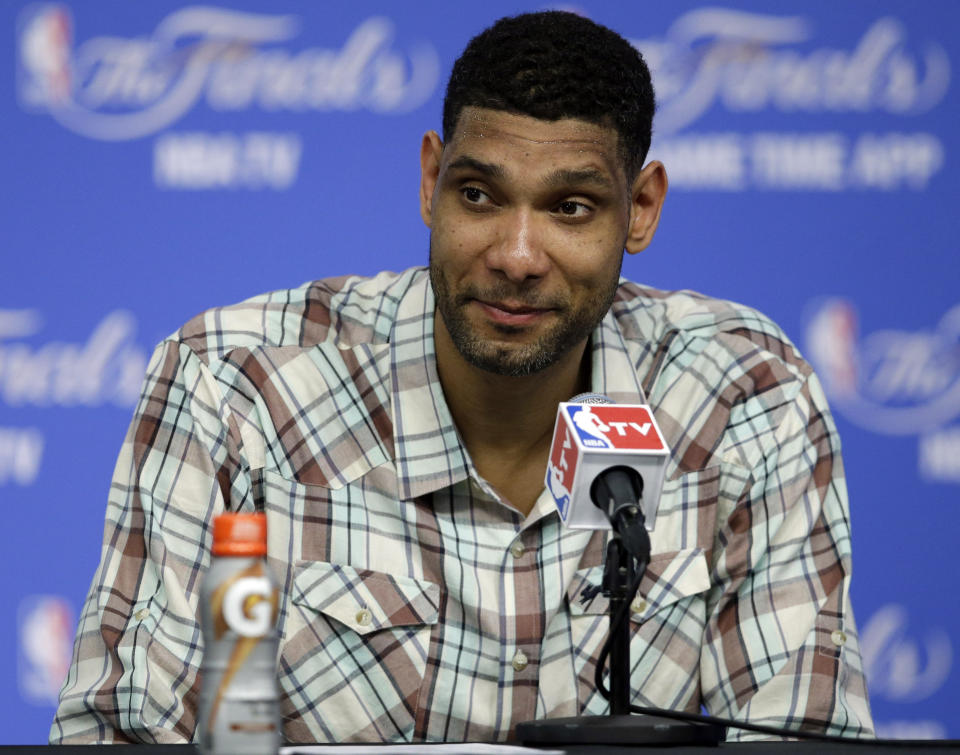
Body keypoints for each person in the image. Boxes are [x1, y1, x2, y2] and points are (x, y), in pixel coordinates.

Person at [51, 11, 873, 744]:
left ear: (643, 207)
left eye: (572, 208)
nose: (516, 255)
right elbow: (121, 733)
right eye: (479, 195)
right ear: (429, 180)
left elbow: (800, 734)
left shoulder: (742, 394)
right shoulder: (237, 385)